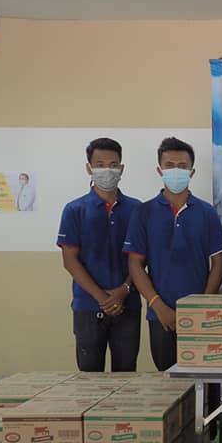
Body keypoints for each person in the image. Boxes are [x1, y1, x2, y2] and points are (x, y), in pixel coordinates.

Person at [124, 137, 222, 371]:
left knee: (203, 379)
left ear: (192, 172)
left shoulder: (207, 212)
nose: (176, 171)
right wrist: (158, 306)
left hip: (201, 317)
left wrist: (201, 306)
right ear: (160, 170)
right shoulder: (144, 212)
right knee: (167, 380)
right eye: (169, 165)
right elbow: (135, 264)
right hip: (160, 315)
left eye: (182, 166)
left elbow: (218, 263)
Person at [56, 137, 141, 372]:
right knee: (89, 377)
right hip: (88, 305)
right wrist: (102, 298)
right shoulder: (74, 210)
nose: (107, 170)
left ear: (122, 168)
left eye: (113, 165)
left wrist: (123, 290)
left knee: (126, 376)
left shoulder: (137, 209)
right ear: (89, 168)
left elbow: (141, 258)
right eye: (100, 165)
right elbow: (70, 260)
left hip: (127, 305)